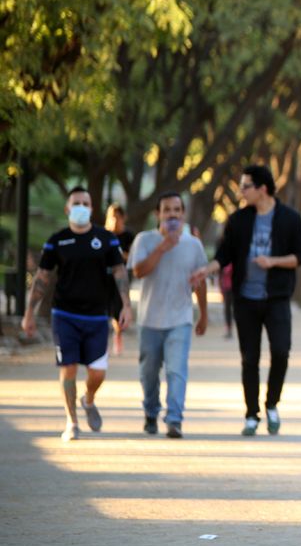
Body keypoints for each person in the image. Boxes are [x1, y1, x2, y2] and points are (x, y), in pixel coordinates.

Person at [191, 165, 301, 436]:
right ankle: (251, 414)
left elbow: (300, 257)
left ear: (262, 189)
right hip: (245, 299)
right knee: (249, 358)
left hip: (277, 298)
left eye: (245, 186)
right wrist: (205, 270)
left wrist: (273, 262)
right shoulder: (239, 220)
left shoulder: (290, 219)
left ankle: (271, 405)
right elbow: (225, 254)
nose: (241, 191)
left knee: (281, 351)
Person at [22, 187, 131, 440]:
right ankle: (71, 422)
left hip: (96, 316)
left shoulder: (106, 238)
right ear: (67, 208)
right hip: (65, 315)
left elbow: (119, 271)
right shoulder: (57, 240)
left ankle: (89, 399)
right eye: (76, 203)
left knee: (98, 373)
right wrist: (29, 313)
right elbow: (42, 278)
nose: (81, 206)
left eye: (86, 203)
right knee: (68, 367)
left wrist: (125, 305)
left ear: (92, 209)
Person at [129, 192, 209, 438]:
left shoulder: (193, 244)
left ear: (183, 215)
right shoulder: (144, 240)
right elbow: (139, 271)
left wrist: (203, 314)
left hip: (180, 319)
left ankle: (174, 419)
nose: (172, 215)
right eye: (167, 210)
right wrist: (162, 247)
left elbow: (201, 281)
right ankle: (151, 412)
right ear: (158, 214)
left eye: (177, 210)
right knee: (149, 373)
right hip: (150, 319)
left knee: (177, 370)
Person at [105, 204, 135, 356]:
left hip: (122, 277)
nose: (115, 220)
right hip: (105, 277)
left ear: (123, 218)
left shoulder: (129, 236)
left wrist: (121, 256)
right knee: (105, 306)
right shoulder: (105, 235)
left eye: (117, 216)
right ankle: (105, 338)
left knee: (118, 306)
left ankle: (118, 335)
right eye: (112, 216)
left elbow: (133, 257)